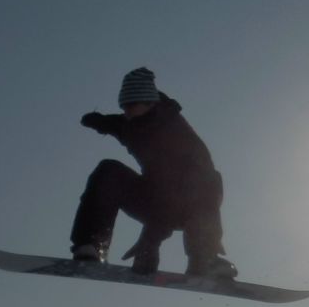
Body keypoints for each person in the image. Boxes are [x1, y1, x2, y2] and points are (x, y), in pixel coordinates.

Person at [70, 67, 237, 278]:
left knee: (209, 181)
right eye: (124, 106)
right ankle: (92, 244)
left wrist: (150, 242)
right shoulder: (130, 124)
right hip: (153, 197)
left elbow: (173, 193)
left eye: (131, 106)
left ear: (151, 103)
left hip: (190, 202)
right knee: (108, 170)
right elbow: (116, 124)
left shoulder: (174, 134)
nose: (127, 112)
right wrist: (98, 122)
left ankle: (205, 258)